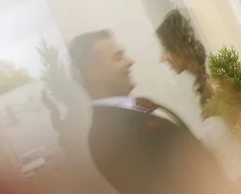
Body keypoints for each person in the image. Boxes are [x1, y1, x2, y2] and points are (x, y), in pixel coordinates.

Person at [68, 29, 229, 194]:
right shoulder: (105, 136)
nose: (130, 61)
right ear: (93, 73)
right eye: (118, 57)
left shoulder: (141, 104)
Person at [156, 10, 241, 184]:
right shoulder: (204, 87)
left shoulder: (216, 85)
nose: (162, 58)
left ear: (179, 49)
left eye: (165, 49)